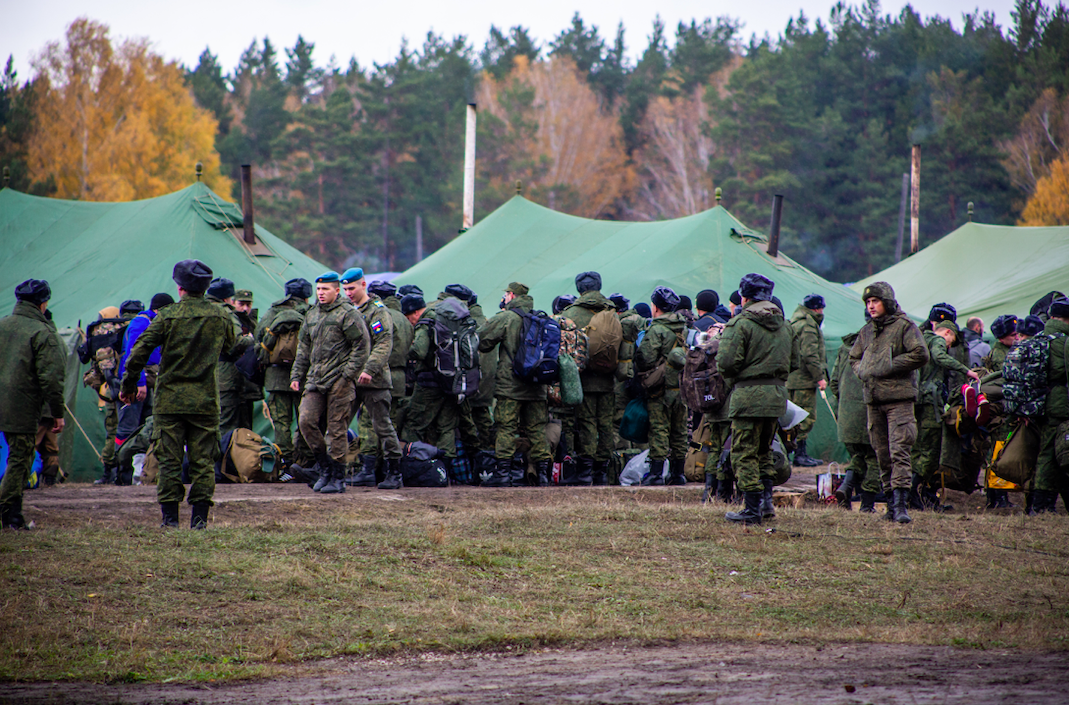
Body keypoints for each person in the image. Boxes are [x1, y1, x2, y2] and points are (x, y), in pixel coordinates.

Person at [121, 260, 236, 529]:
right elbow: (232, 346)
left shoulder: (168, 315)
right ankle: (199, 522)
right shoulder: (220, 315)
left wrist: (128, 384)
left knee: (169, 461)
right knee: (203, 461)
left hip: (170, 401)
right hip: (205, 401)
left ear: (179, 287)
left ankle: (170, 521)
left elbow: (138, 350)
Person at [849, 282, 930, 524]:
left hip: (899, 400)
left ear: (887, 301)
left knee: (900, 451)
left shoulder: (905, 327)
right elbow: (854, 357)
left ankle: (901, 504)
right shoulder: (866, 331)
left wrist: (888, 365)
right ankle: (890, 506)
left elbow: (920, 353)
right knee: (882, 454)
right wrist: (863, 370)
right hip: (874, 401)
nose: (871, 306)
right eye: (868, 302)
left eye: (875, 300)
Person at [715, 274, 792, 523]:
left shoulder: (741, 324)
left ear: (744, 297)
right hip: (776, 396)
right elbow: (796, 362)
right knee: (764, 450)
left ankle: (751, 509)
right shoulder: (786, 325)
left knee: (743, 452)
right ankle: (767, 503)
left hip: (748, 396)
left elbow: (726, 362)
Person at [291, 272, 369, 495]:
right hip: (315, 379)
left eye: (325, 289)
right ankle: (324, 467)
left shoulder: (347, 314)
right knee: (306, 420)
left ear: (336, 290)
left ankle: (337, 476)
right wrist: (297, 376)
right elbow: (303, 348)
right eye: (318, 289)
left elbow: (362, 346)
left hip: (340, 381)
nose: (321, 293)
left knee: (336, 429)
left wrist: (347, 376)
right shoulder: (312, 314)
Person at [0, 280, 65, 529]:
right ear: (43, 303)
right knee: (20, 458)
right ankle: (11, 515)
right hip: (21, 406)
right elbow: (51, 378)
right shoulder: (43, 332)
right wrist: (57, 413)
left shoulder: (3, 324)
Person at [478, 282, 553, 487]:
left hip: (510, 386)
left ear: (511, 295)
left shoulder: (507, 318)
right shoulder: (542, 318)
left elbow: (482, 341)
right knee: (537, 430)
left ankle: (503, 475)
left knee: (506, 428)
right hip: (537, 385)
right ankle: (544, 476)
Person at [340, 267, 404, 490]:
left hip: (373, 381)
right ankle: (334, 470)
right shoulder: (346, 309)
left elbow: (384, 343)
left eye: (352, 288)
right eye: (345, 289)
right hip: (350, 379)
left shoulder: (377, 311)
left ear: (363, 285)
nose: (348, 293)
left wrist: (369, 369)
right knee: (338, 423)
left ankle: (394, 473)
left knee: (382, 426)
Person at [350, 280, 415, 486]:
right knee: (389, 424)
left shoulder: (378, 314)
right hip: (399, 378)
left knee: (369, 424)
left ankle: (370, 469)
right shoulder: (404, 319)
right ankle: (388, 471)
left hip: (377, 375)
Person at [913, 318, 981, 511]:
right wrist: (966, 370)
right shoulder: (937, 341)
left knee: (916, 448)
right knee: (931, 450)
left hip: (915, 399)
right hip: (929, 402)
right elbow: (940, 357)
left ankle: (912, 494)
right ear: (948, 333)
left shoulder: (919, 338)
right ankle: (912, 492)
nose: (949, 346)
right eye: (951, 342)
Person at [561, 272, 621, 485]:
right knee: (605, 424)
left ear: (579, 289)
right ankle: (602, 472)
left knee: (586, 423)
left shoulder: (571, 314)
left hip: (583, 379)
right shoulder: (613, 311)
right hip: (607, 378)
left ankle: (585, 471)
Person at [402, 293, 468, 474]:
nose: (410, 322)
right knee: (446, 426)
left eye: (409, 318)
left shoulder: (425, 323)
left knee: (414, 423)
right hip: (452, 380)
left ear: (415, 312)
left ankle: (411, 465)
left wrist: (403, 352)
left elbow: (420, 351)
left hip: (429, 382)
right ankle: (447, 470)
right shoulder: (445, 318)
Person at [114, 292, 174, 483]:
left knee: (146, 428)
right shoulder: (141, 323)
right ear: (160, 309)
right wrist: (138, 383)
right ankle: (120, 474)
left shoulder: (156, 323)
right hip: (139, 380)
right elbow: (133, 355)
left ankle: (139, 473)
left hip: (151, 380)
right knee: (128, 428)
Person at [256, 278, 313, 471]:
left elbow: (258, 338)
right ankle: (304, 462)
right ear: (307, 295)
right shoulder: (310, 312)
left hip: (275, 377)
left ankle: (284, 463)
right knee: (305, 420)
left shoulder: (273, 312)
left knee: (281, 422)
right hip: (303, 376)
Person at [636, 286, 690, 486]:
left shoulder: (657, 329)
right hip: (682, 387)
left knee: (659, 428)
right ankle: (678, 473)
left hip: (660, 388)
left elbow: (645, 358)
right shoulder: (682, 326)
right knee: (680, 429)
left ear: (656, 307)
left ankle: (656, 473)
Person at [829, 325, 880, 511]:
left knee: (860, 455)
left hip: (847, 415)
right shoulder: (880, 346)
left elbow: (834, 382)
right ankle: (867, 505)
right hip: (871, 412)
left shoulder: (846, 347)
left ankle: (846, 486)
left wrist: (846, 404)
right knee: (875, 457)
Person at [79, 305, 125, 485]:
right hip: (123, 390)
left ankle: (109, 472)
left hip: (110, 392)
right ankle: (118, 472)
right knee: (120, 431)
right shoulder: (121, 331)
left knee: (113, 432)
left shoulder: (100, 334)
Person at [1031, 297, 1069, 513]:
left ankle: (1039, 502)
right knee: (1055, 453)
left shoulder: (1040, 337)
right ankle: (1042, 504)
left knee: (1045, 451)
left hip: (1038, 401)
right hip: (1059, 403)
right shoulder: (1063, 342)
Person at [206, 278, 253, 433]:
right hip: (224, 375)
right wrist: (251, 340)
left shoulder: (197, 309)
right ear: (227, 298)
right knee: (227, 424)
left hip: (198, 373)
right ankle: (223, 457)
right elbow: (234, 344)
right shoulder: (225, 313)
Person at [787, 294, 828, 467]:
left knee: (792, 419)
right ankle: (799, 454)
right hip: (803, 380)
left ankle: (794, 453)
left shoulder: (795, 321)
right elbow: (810, 354)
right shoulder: (808, 325)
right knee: (805, 418)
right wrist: (819, 377)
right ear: (817, 308)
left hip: (792, 379)